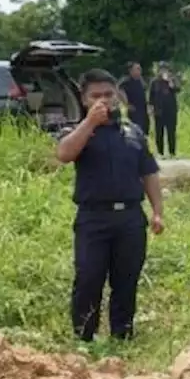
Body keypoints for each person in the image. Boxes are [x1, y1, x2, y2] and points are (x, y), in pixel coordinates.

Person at [54, 69, 166, 342]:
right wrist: (90, 123)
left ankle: (122, 335)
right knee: (89, 278)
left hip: (130, 218)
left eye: (108, 94)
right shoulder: (77, 131)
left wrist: (158, 212)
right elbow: (64, 154)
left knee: (126, 279)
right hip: (93, 219)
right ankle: (84, 337)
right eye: (95, 96)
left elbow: (149, 173)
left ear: (117, 96)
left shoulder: (133, 132)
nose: (103, 100)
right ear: (84, 99)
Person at [148, 62, 180, 159]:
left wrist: (170, 82)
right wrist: (150, 109)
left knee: (171, 132)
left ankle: (172, 152)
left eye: (165, 69)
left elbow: (177, 89)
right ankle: (160, 153)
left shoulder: (172, 80)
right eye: (161, 69)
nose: (163, 71)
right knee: (159, 133)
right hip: (159, 111)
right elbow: (151, 97)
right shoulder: (154, 82)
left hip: (171, 111)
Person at [119, 62, 149, 137]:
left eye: (140, 69)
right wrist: (126, 104)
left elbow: (145, 91)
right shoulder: (126, 81)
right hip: (134, 110)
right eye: (137, 69)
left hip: (143, 110)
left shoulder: (140, 80)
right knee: (136, 131)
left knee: (144, 130)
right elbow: (119, 90)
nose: (139, 71)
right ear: (131, 70)